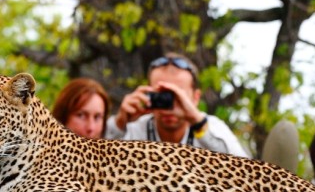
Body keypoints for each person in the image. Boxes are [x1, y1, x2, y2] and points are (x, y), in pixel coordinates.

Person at [105, 52, 250, 158]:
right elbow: (96, 162)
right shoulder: (135, 130)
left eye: (178, 96)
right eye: (161, 95)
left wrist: (197, 122)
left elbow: (245, 171)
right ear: (148, 92)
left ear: (195, 98)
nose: (170, 104)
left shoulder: (211, 127)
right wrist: (120, 123)